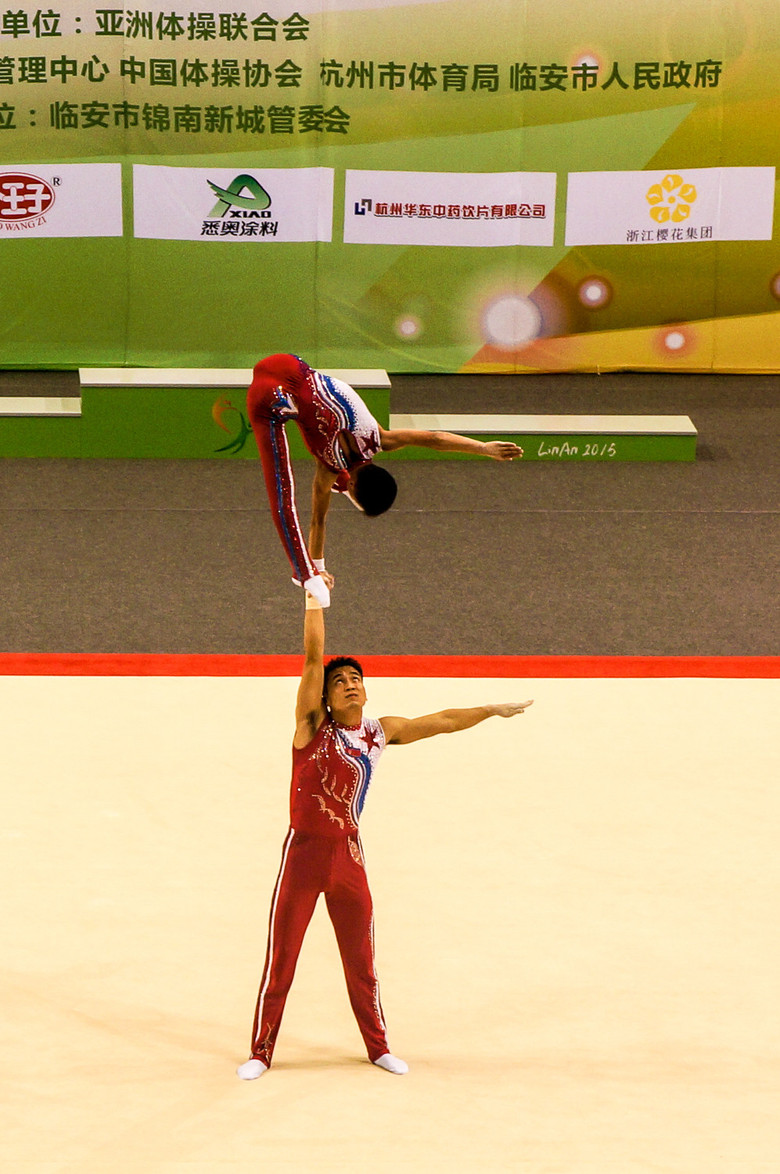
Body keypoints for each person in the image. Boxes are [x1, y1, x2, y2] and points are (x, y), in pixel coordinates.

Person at [236, 588, 533, 1080]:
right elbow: (313, 658)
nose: (350, 685)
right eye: (340, 683)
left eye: (356, 679)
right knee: (282, 960)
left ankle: (377, 1047)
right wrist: (314, 601)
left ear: (365, 691)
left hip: (348, 857)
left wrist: (489, 709)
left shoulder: (379, 731)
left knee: (362, 962)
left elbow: (439, 722)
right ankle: (260, 1053)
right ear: (326, 698)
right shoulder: (311, 727)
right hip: (304, 857)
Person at [247, 353, 523, 608]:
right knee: (283, 495)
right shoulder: (328, 468)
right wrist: (317, 569)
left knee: (300, 486)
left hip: (291, 364)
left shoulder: (380, 438)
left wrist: (483, 448)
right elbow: (318, 520)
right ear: (352, 486)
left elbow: (434, 438)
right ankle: (304, 573)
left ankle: (311, 570)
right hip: (269, 400)